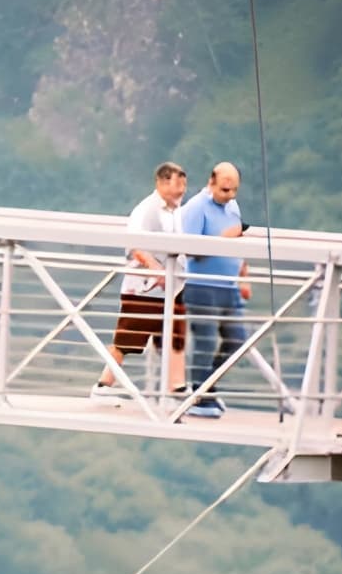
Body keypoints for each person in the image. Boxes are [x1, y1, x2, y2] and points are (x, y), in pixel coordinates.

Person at [92, 161, 189, 403]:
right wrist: (157, 271)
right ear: (162, 182)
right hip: (144, 288)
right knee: (128, 339)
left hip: (173, 287)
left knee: (174, 337)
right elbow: (136, 246)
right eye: (177, 183)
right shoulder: (146, 210)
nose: (181, 189)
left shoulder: (177, 211)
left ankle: (175, 389)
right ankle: (103, 386)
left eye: (183, 184)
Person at [176, 161, 251, 418]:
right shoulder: (196, 207)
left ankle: (208, 387)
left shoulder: (233, 206)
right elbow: (192, 250)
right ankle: (199, 395)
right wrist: (224, 240)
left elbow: (238, 238)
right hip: (202, 285)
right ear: (211, 183)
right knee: (205, 343)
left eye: (234, 190)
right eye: (224, 190)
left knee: (238, 341)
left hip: (228, 286)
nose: (229, 196)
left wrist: (244, 275)